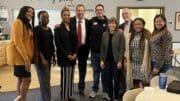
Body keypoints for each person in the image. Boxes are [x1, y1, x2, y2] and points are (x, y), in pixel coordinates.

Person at [7, 6, 35, 101]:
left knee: (21, 79)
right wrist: (26, 59)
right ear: (23, 12)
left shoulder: (26, 24)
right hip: (21, 58)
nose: (31, 13)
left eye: (32, 12)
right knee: (27, 80)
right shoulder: (18, 22)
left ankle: (21, 99)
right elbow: (18, 42)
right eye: (29, 11)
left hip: (23, 57)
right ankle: (22, 99)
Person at [54, 7, 77, 101]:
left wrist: (75, 53)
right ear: (61, 16)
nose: (66, 16)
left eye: (68, 15)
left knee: (71, 77)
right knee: (65, 78)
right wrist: (67, 55)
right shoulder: (58, 28)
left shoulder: (72, 26)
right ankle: (64, 97)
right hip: (64, 57)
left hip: (73, 56)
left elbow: (76, 41)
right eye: (64, 15)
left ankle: (69, 95)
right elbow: (58, 44)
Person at [100, 17, 125, 101]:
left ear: (116, 24)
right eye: (110, 23)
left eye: (113, 23)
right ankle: (110, 96)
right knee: (108, 79)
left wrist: (120, 61)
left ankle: (116, 97)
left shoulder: (120, 34)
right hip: (107, 61)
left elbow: (122, 48)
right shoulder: (104, 34)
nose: (111, 25)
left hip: (116, 61)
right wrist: (101, 60)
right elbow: (102, 48)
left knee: (117, 80)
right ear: (108, 24)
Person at [34, 10, 55, 101]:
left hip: (49, 58)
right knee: (44, 81)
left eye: (47, 17)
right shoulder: (37, 29)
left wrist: (53, 56)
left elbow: (51, 44)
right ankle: (46, 99)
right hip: (41, 60)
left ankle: (48, 98)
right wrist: (42, 58)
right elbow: (36, 45)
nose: (46, 19)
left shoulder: (49, 29)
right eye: (44, 17)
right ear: (39, 18)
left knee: (47, 80)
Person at [70, 4, 90, 96]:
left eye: (82, 10)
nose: (80, 12)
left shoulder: (88, 22)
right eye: (78, 10)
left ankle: (81, 88)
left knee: (82, 69)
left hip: (84, 49)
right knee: (71, 69)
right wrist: (58, 26)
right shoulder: (70, 21)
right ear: (76, 11)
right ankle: (68, 88)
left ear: (84, 11)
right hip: (72, 49)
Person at [125, 18, 151, 89]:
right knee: (134, 83)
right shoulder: (129, 36)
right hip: (133, 64)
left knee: (145, 83)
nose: (137, 26)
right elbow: (126, 50)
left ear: (143, 25)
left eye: (139, 24)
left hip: (144, 64)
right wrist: (126, 60)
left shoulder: (148, 35)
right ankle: (136, 97)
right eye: (136, 24)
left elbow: (152, 48)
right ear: (133, 26)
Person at [89, 4, 109, 98]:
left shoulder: (108, 22)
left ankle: (105, 91)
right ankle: (94, 90)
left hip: (105, 53)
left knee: (104, 73)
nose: (99, 11)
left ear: (103, 11)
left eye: (101, 9)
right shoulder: (91, 21)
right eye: (97, 10)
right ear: (95, 11)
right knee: (96, 72)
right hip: (94, 52)